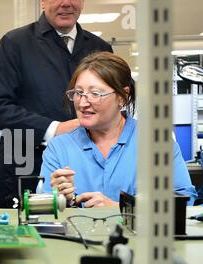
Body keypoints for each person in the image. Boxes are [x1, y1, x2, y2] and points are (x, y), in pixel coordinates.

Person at [0, 0, 113, 207]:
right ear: (42, 2)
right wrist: (55, 129)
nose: (66, 4)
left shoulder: (100, 48)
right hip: (26, 168)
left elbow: (113, 105)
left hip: (88, 169)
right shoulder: (15, 43)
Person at [40, 51, 197, 207]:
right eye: (78, 93)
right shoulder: (59, 149)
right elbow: (42, 209)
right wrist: (60, 200)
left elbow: (184, 198)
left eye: (95, 94)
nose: (82, 103)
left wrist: (120, 208)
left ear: (122, 96)